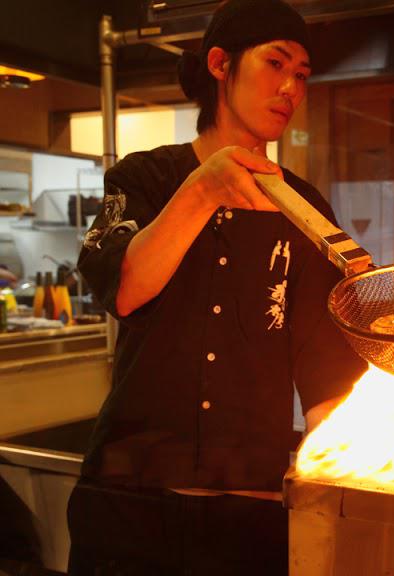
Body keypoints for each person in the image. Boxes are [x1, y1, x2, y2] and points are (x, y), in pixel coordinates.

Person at [66, 1, 367, 574]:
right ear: (220, 64)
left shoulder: (304, 211)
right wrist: (203, 191)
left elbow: (325, 374)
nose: (290, 88)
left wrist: (343, 479)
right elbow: (124, 289)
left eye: (301, 74)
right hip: (129, 505)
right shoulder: (143, 177)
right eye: (275, 63)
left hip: (247, 518)